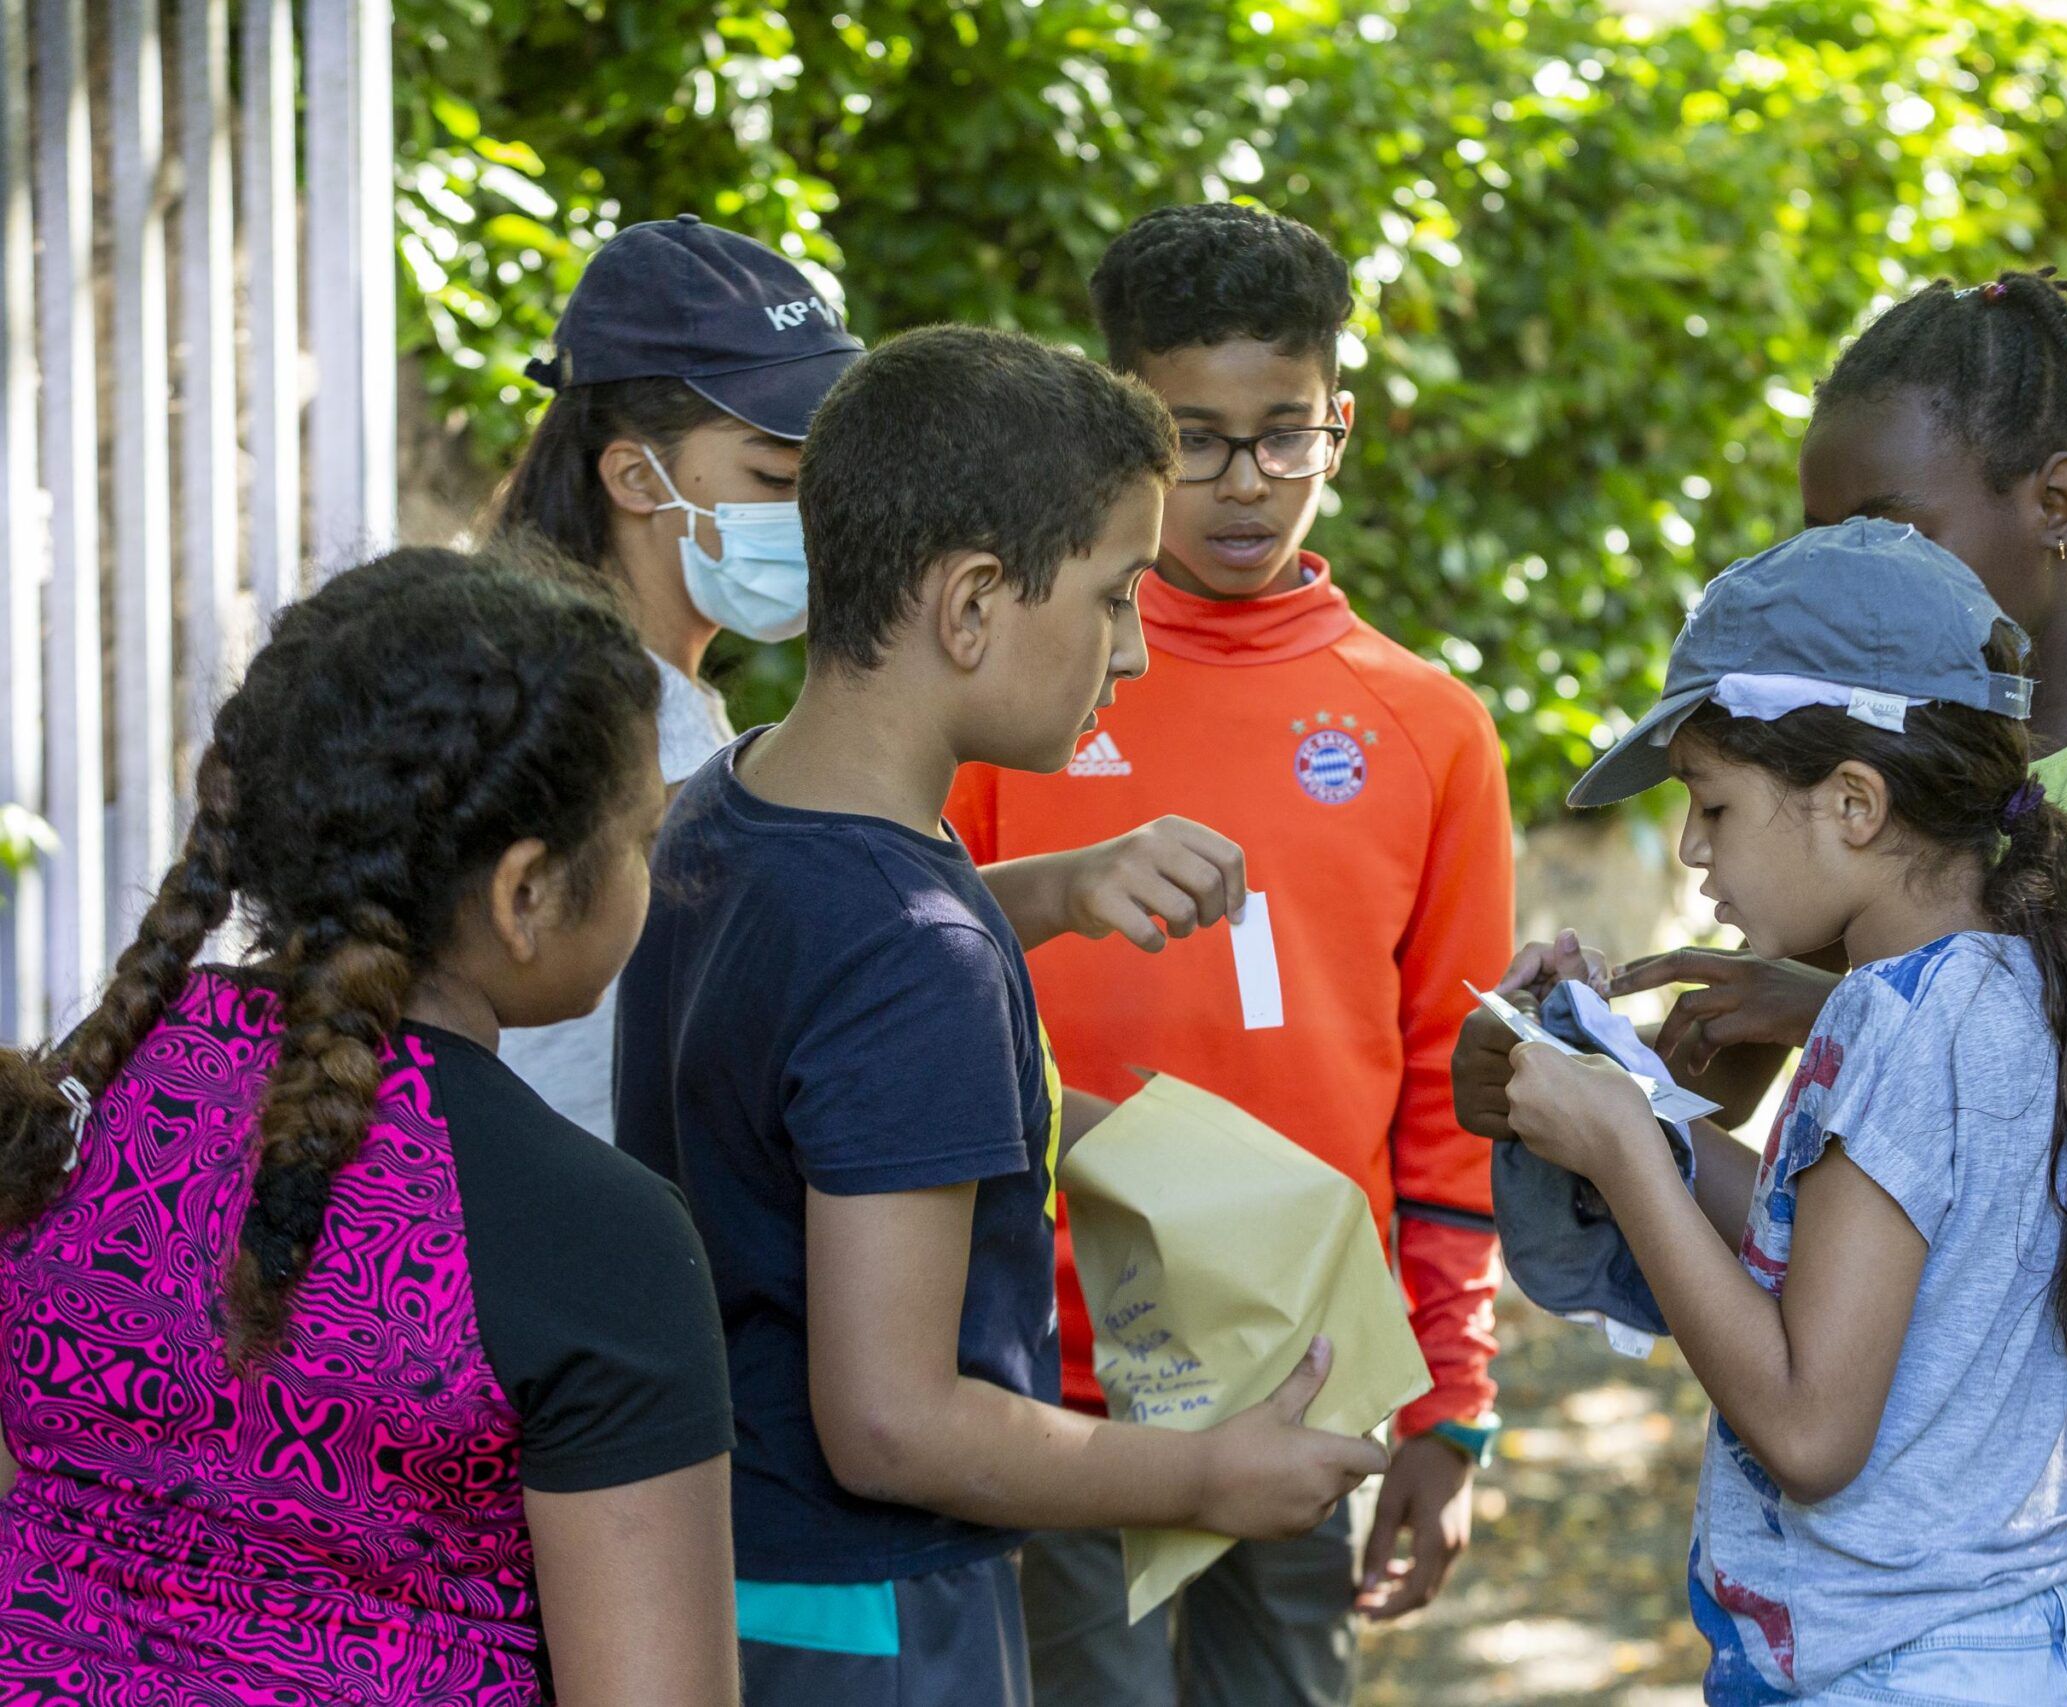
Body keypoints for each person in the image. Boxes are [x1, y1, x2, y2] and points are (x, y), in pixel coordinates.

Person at [1500, 270, 2067, 1703]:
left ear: (2055, 500)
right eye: (1824, 535)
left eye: (1886, 528)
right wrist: (1602, 1079)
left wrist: (1787, 1043)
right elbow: (1812, 1189)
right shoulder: (1866, 833)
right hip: (1967, 1534)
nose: (1859, 567)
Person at [614, 324, 1389, 1707]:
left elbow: (828, 1004)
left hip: (733, 1564)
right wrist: (1210, 1469)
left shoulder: (731, 809)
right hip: (877, 1620)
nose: (1137, 652)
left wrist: (1048, 889)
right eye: (1114, 595)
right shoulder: (916, 958)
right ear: (970, 602)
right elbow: (894, 1419)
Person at [1474, 519, 2067, 1703]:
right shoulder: (2008, 986)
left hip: (1889, 1666)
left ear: (1854, 803)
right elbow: (1829, 1246)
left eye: (1711, 805)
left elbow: (1811, 1432)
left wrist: (1620, 1153)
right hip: (2020, 1647)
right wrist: (1629, 1103)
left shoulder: (1896, 1023)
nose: (1689, 848)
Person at [944, 202, 1511, 1706]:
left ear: (1341, 423)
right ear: (1119, 422)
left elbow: (1458, 1106)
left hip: (1313, 1378)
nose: (1245, 484)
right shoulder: (1013, 682)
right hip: (1050, 1381)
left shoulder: (1430, 727)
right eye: (1194, 440)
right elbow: (902, 945)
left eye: (1283, 435)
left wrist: (1450, 1409)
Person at [0, 550, 738, 1705]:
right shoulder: (602, 1237)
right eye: (642, 839)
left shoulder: (72, 1117)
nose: (659, 874)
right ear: (525, 892)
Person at [485, 213, 863, 1142]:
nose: (812, 513)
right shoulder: (602, 721)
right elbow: (839, 929)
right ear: (635, 476)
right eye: (777, 478)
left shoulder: (658, 700)